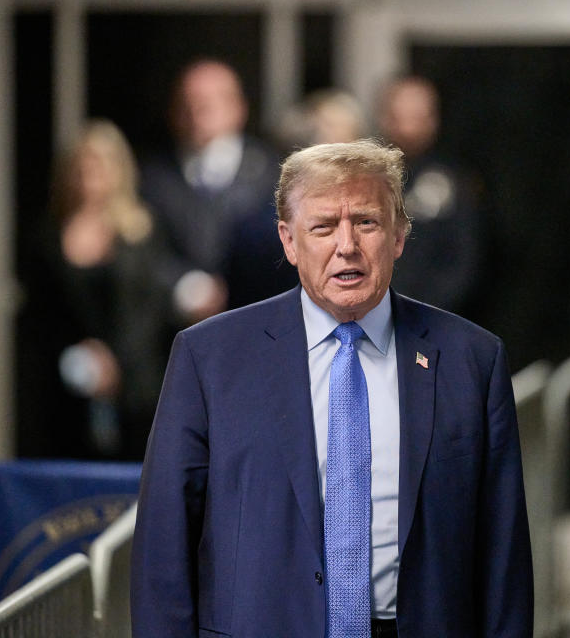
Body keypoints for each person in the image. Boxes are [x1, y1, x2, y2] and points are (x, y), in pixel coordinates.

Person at [131, 139, 533, 637]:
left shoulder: (473, 360)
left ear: (400, 235)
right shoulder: (209, 358)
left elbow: (503, 555)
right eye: (323, 226)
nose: (347, 245)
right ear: (288, 240)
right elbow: (163, 549)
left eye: (366, 222)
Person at [18, 120, 172, 461]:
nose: (89, 174)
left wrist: (115, 363)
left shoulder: (142, 232)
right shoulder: (45, 237)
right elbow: (37, 317)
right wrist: (77, 356)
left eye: (99, 164)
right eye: (81, 165)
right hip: (63, 391)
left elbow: (151, 312)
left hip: (135, 389)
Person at [140, 59, 294, 320]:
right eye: (187, 103)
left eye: (209, 103)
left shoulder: (275, 172)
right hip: (175, 330)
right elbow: (143, 251)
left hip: (259, 320)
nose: (197, 113)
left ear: (238, 107)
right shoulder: (152, 179)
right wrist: (184, 288)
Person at [376, 75, 483, 316]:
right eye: (402, 115)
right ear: (385, 117)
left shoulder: (452, 179)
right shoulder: (363, 177)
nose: (410, 126)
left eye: (420, 115)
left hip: (430, 317)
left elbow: (463, 258)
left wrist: (423, 310)